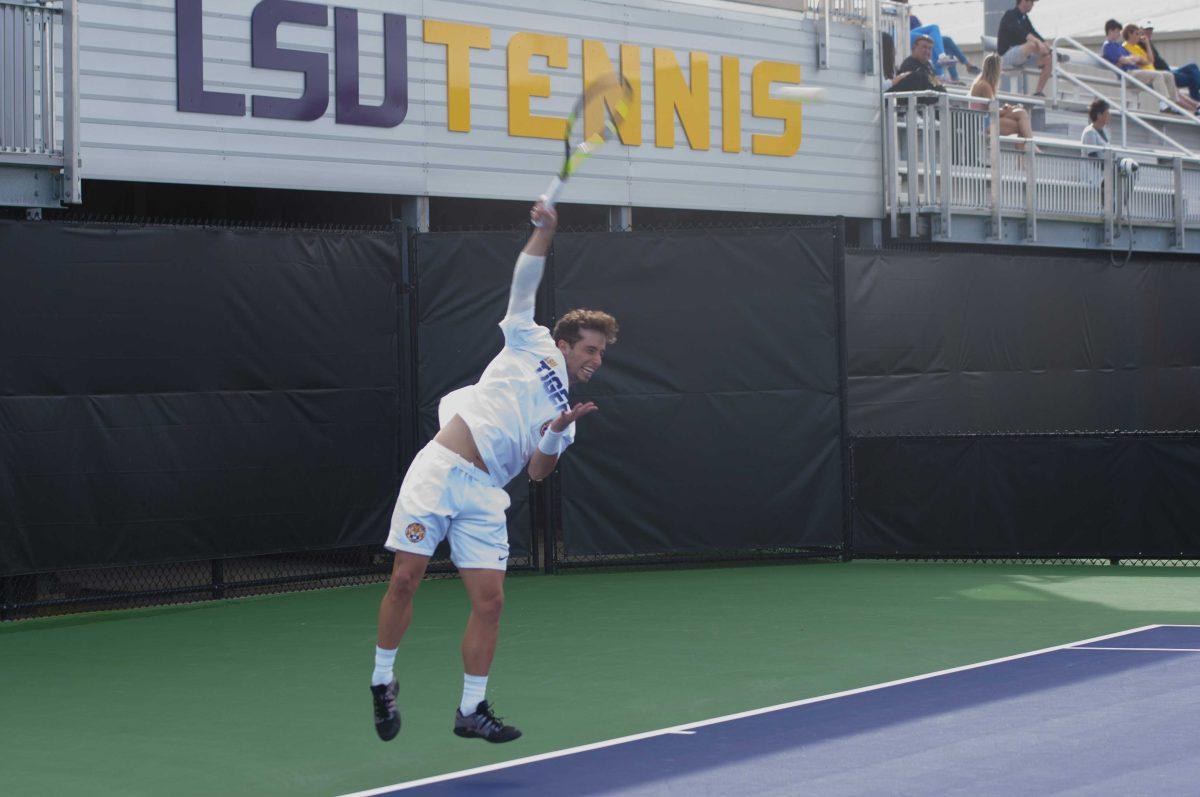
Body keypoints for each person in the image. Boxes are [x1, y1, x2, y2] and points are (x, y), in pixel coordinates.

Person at [369, 198, 619, 744]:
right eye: (591, 349)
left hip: (485, 495)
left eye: (602, 354)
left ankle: (471, 709)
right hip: (442, 470)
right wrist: (544, 233)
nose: (596, 360)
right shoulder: (531, 342)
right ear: (564, 343)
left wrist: (557, 427)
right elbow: (524, 286)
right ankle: (382, 679)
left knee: (491, 602)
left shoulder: (570, 419)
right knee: (406, 579)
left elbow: (536, 472)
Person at [1121, 23, 1199, 114]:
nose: (1148, 33)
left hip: (1160, 71)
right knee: (1190, 80)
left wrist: (1147, 43)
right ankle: (1193, 108)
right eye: (1137, 33)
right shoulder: (1125, 46)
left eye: (1151, 30)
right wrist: (1140, 58)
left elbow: (1150, 60)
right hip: (1147, 74)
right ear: (1130, 34)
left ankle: (1188, 106)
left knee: (1189, 69)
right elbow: (1138, 61)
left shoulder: (1138, 46)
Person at [970, 53, 1036, 151]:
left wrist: (1007, 109)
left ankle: (1025, 157)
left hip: (986, 119)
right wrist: (1008, 109)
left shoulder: (982, 82)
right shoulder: (984, 85)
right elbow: (993, 111)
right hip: (983, 123)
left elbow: (991, 109)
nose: (1002, 71)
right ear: (995, 70)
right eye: (1000, 68)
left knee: (1021, 116)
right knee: (1022, 124)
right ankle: (1030, 149)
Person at [996, 0, 1052, 97]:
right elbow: (1021, 32)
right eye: (1031, 2)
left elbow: (1034, 33)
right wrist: (1040, 44)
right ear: (1024, 1)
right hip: (1005, 56)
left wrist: (1045, 44)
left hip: (1021, 57)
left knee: (1049, 59)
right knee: (1032, 44)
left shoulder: (1025, 18)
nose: (1033, 5)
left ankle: (1038, 92)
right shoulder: (1010, 14)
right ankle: (1045, 54)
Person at [1141, 21, 1200, 104]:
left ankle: (1197, 102)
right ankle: (1197, 103)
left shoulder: (1148, 42)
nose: (1149, 32)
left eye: (1150, 30)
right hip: (1164, 75)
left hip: (1168, 70)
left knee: (1192, 67)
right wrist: (1146, 43)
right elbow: (1150, 61)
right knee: (1192, 79)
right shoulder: (1141, 43)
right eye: (1146, 30)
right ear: (1140, 30)